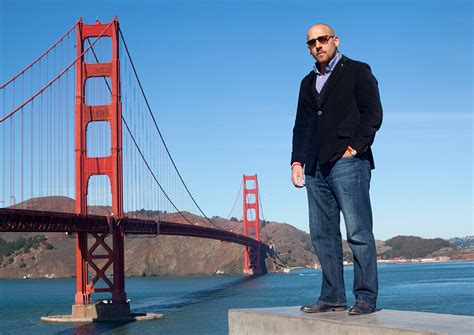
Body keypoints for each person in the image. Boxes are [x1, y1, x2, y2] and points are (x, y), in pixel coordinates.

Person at [291, 23, 383, 315]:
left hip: (348, 163)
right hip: (315, 168)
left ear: (335, 40)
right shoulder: (306, 83)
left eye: (322, 39)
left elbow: (373, 113)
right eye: (311, 43)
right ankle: (332, 297)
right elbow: (302, 125)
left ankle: (365, 298)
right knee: (322, 235)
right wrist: (296, 161)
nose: (317, 45)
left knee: (358, 232)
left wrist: (354, 148)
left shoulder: (358, 70)